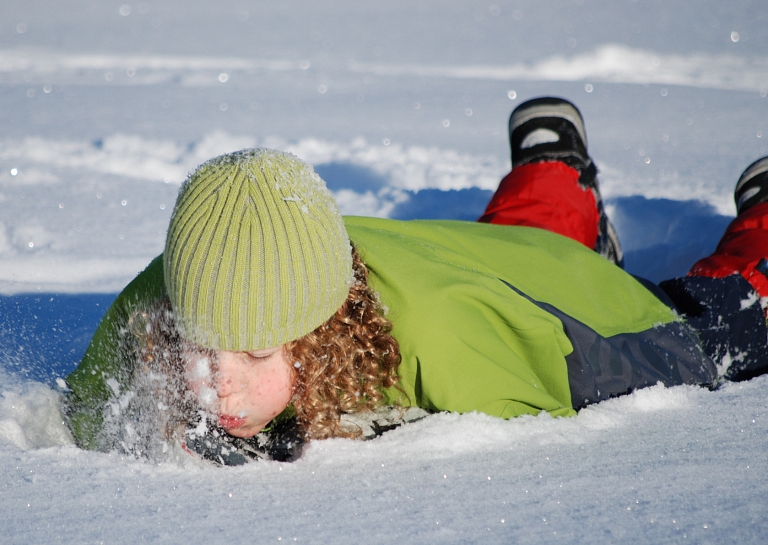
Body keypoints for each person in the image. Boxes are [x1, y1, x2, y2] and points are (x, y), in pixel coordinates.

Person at [62, 97, 768, 465]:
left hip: (554, 323)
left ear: (315, 335)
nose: (219, 383)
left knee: (705, 331)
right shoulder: (174, 288)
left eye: (252, 354)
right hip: (467, 254)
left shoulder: (445, 343)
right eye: (202, 348)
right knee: (512, 246)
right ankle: (549, 175)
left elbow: (548, 418)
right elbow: (86, 409)